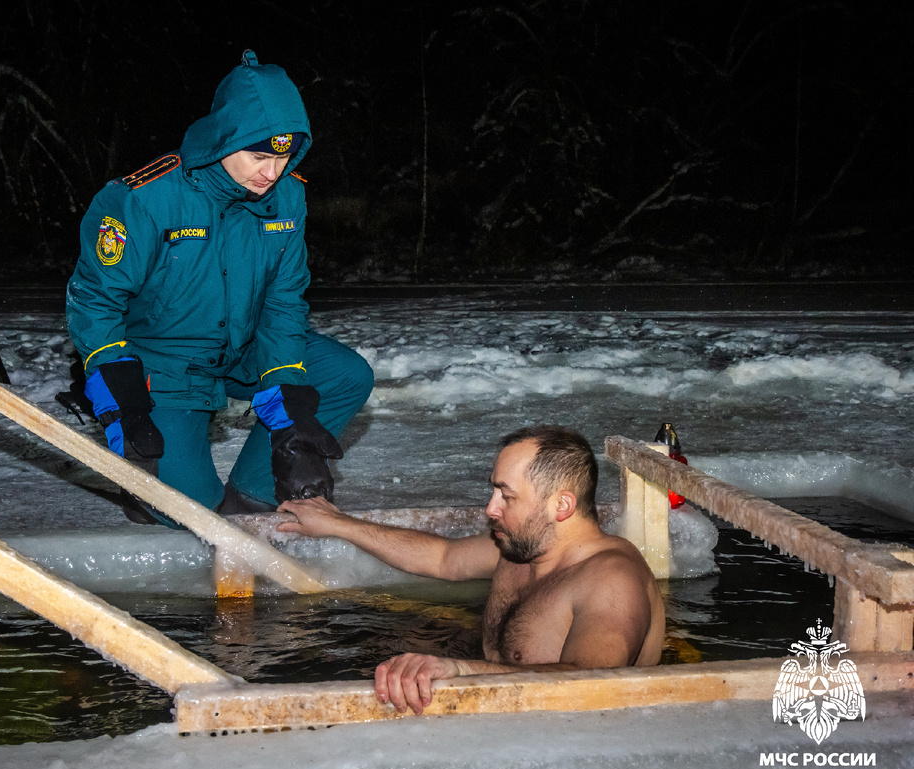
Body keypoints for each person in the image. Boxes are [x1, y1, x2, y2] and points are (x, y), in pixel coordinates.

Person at [66, 50, 373, 523]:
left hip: (243, 348)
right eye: (259, 156)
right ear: (223, 140)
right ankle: (150, 490)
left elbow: (283, 301)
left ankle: (257, 494)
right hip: (164, 366)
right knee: (195, 514)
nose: (271, 172)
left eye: (284, 157)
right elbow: (95, 301)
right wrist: (121, 395)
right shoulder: (144, 198)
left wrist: (289, 402)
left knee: (344, 374)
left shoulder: (288, 196)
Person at [278, 425, 666, 714]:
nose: (490, 508)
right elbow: (441, 558)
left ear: (561, 506)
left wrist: (461, 669)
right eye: (494, 490)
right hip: (507, 723)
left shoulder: (611, 579)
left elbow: (593, 683)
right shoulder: (522, 549)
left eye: (506, 496)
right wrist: (339, 524)